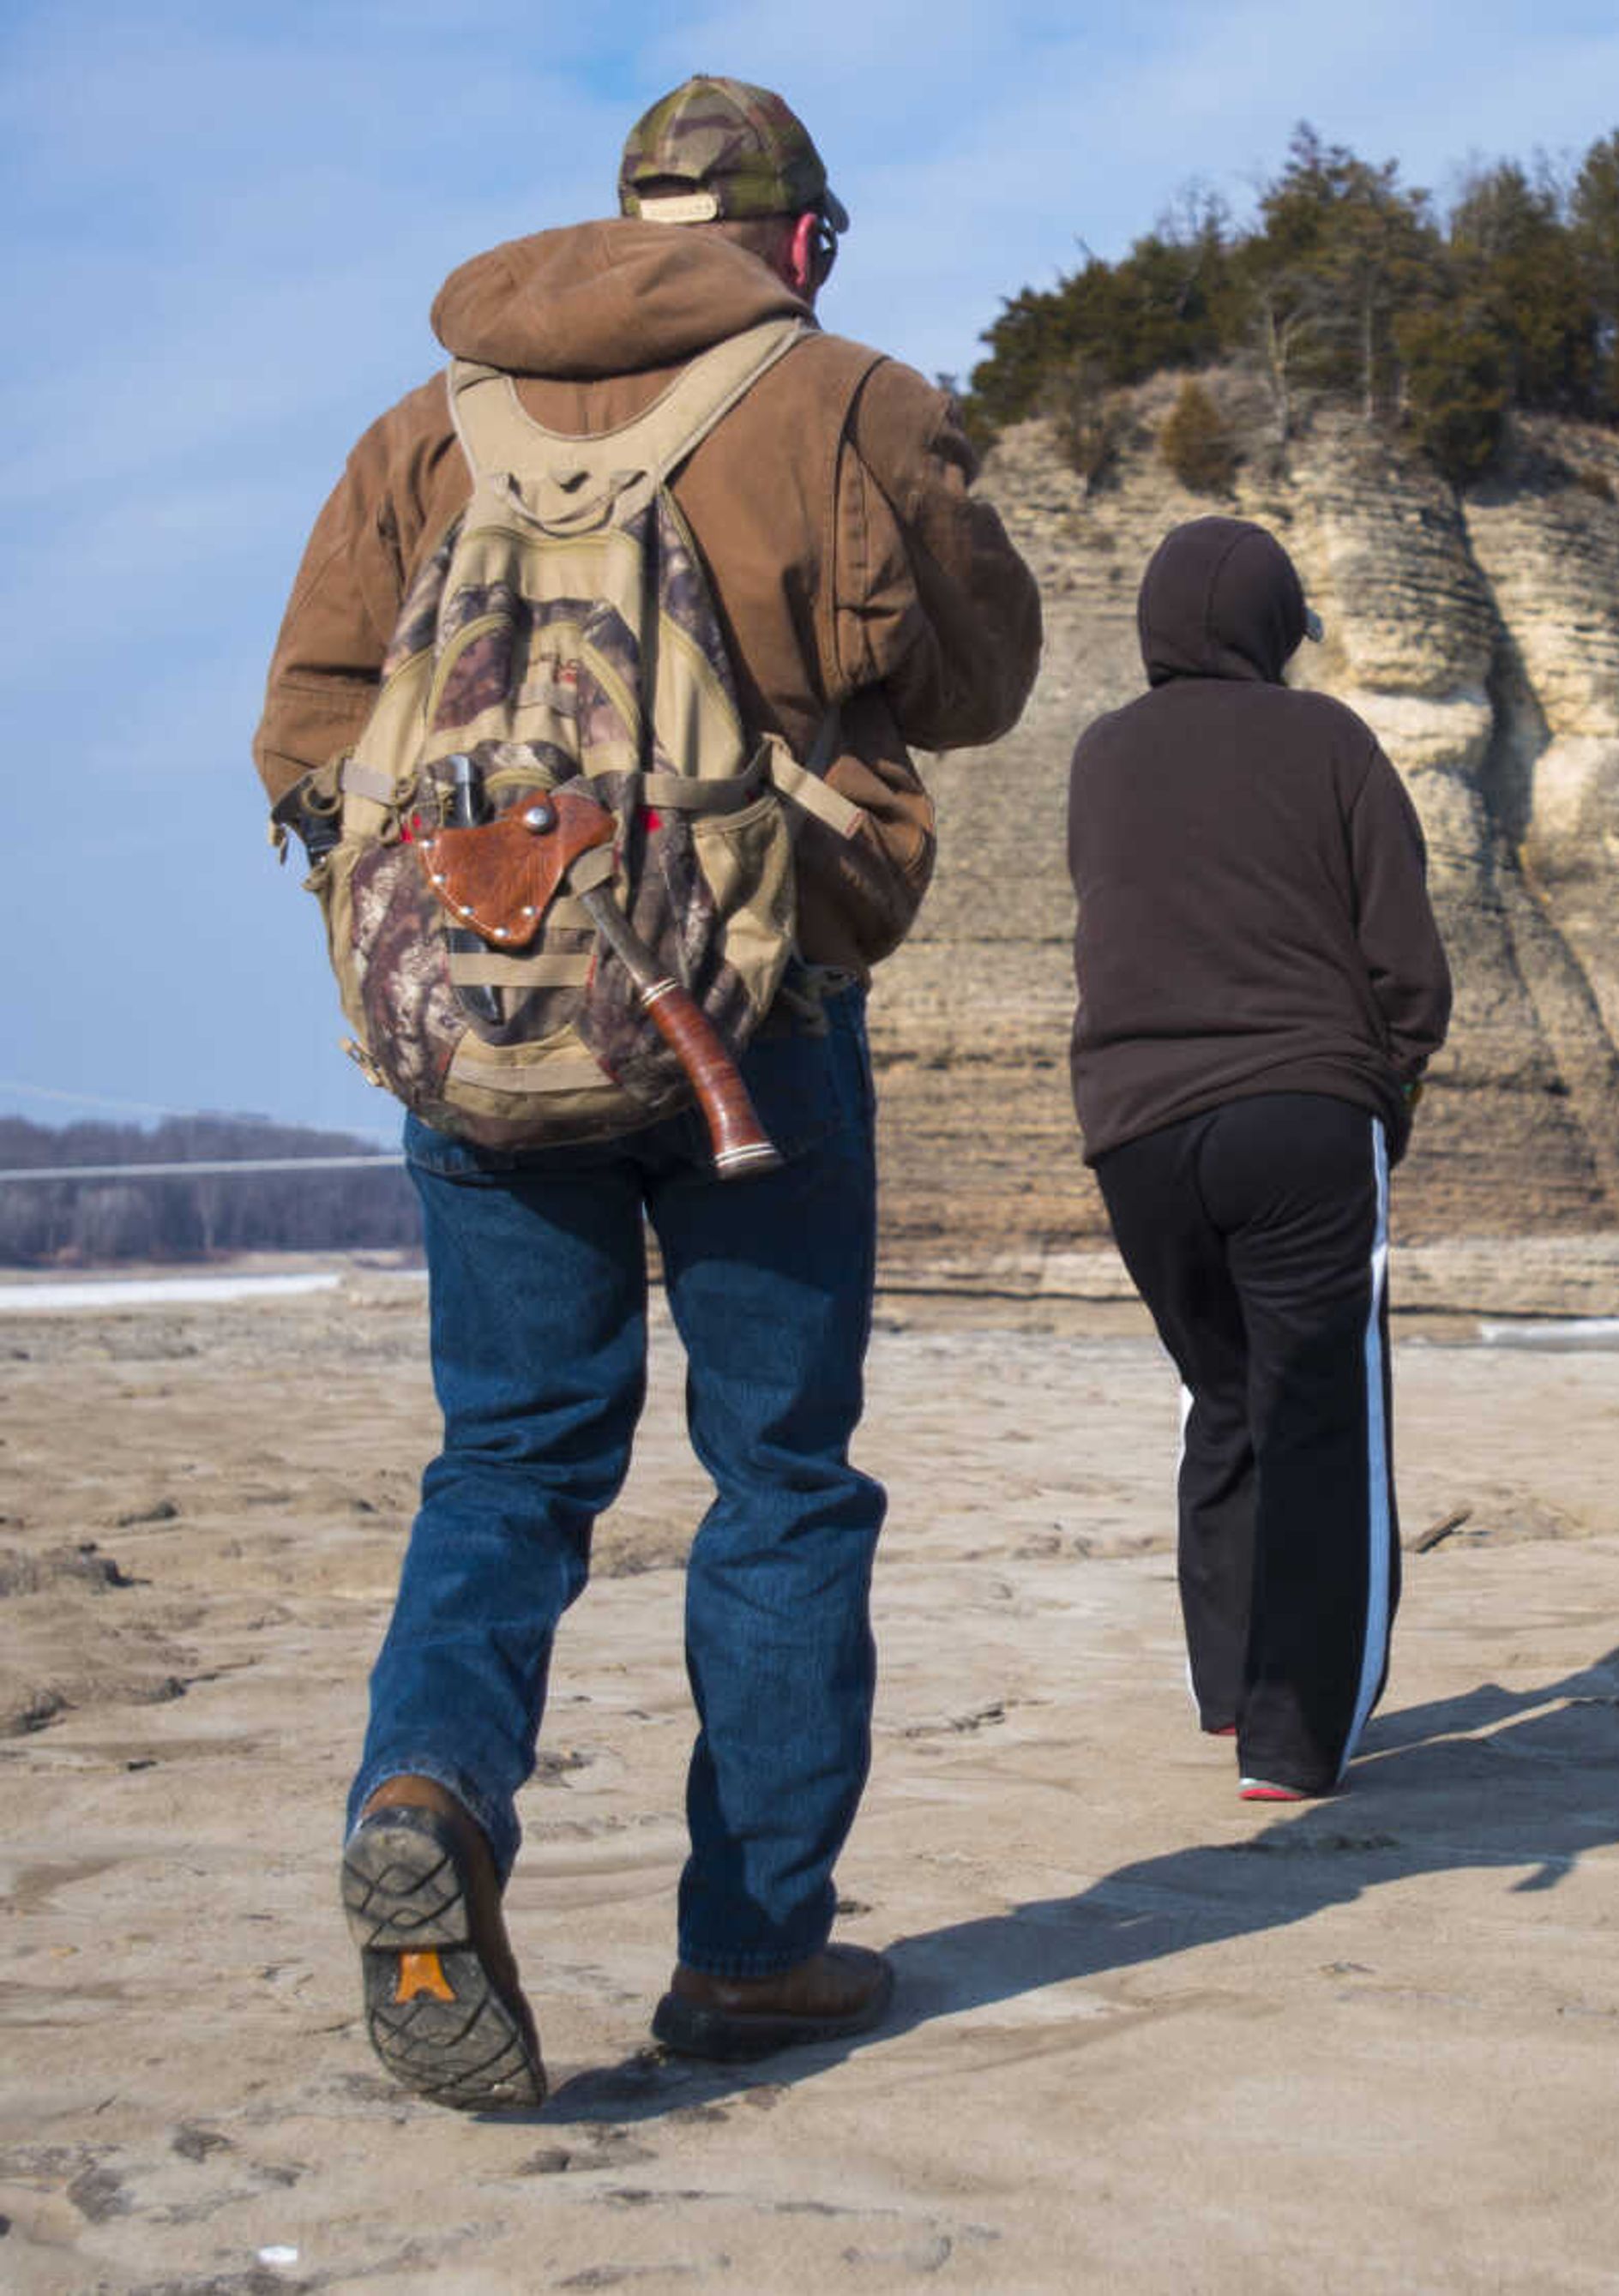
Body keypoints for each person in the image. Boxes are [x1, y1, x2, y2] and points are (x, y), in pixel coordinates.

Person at [255, 75, 1039, 2109]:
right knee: (779, 1479)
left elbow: (302, 731)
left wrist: (452, 902)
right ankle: (754, 1954)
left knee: (508, 1463)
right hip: (745, 1018)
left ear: (623, 220)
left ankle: (430, 1794)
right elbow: (979, 680)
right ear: (798, 241)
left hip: (474, 1023)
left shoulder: (425, 430)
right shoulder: (846, 398)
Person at [1068, 516, 1451, 1803]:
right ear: (1277, 631)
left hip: (1135, 1129)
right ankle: (1295, 1743)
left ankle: (1232, 1691)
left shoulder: (1102, 757)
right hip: (1298, 1110)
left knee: (1220, 1394)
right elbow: (1406, 957)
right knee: (1320, 1415)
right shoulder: (1328, 738)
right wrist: (1387, 1086)